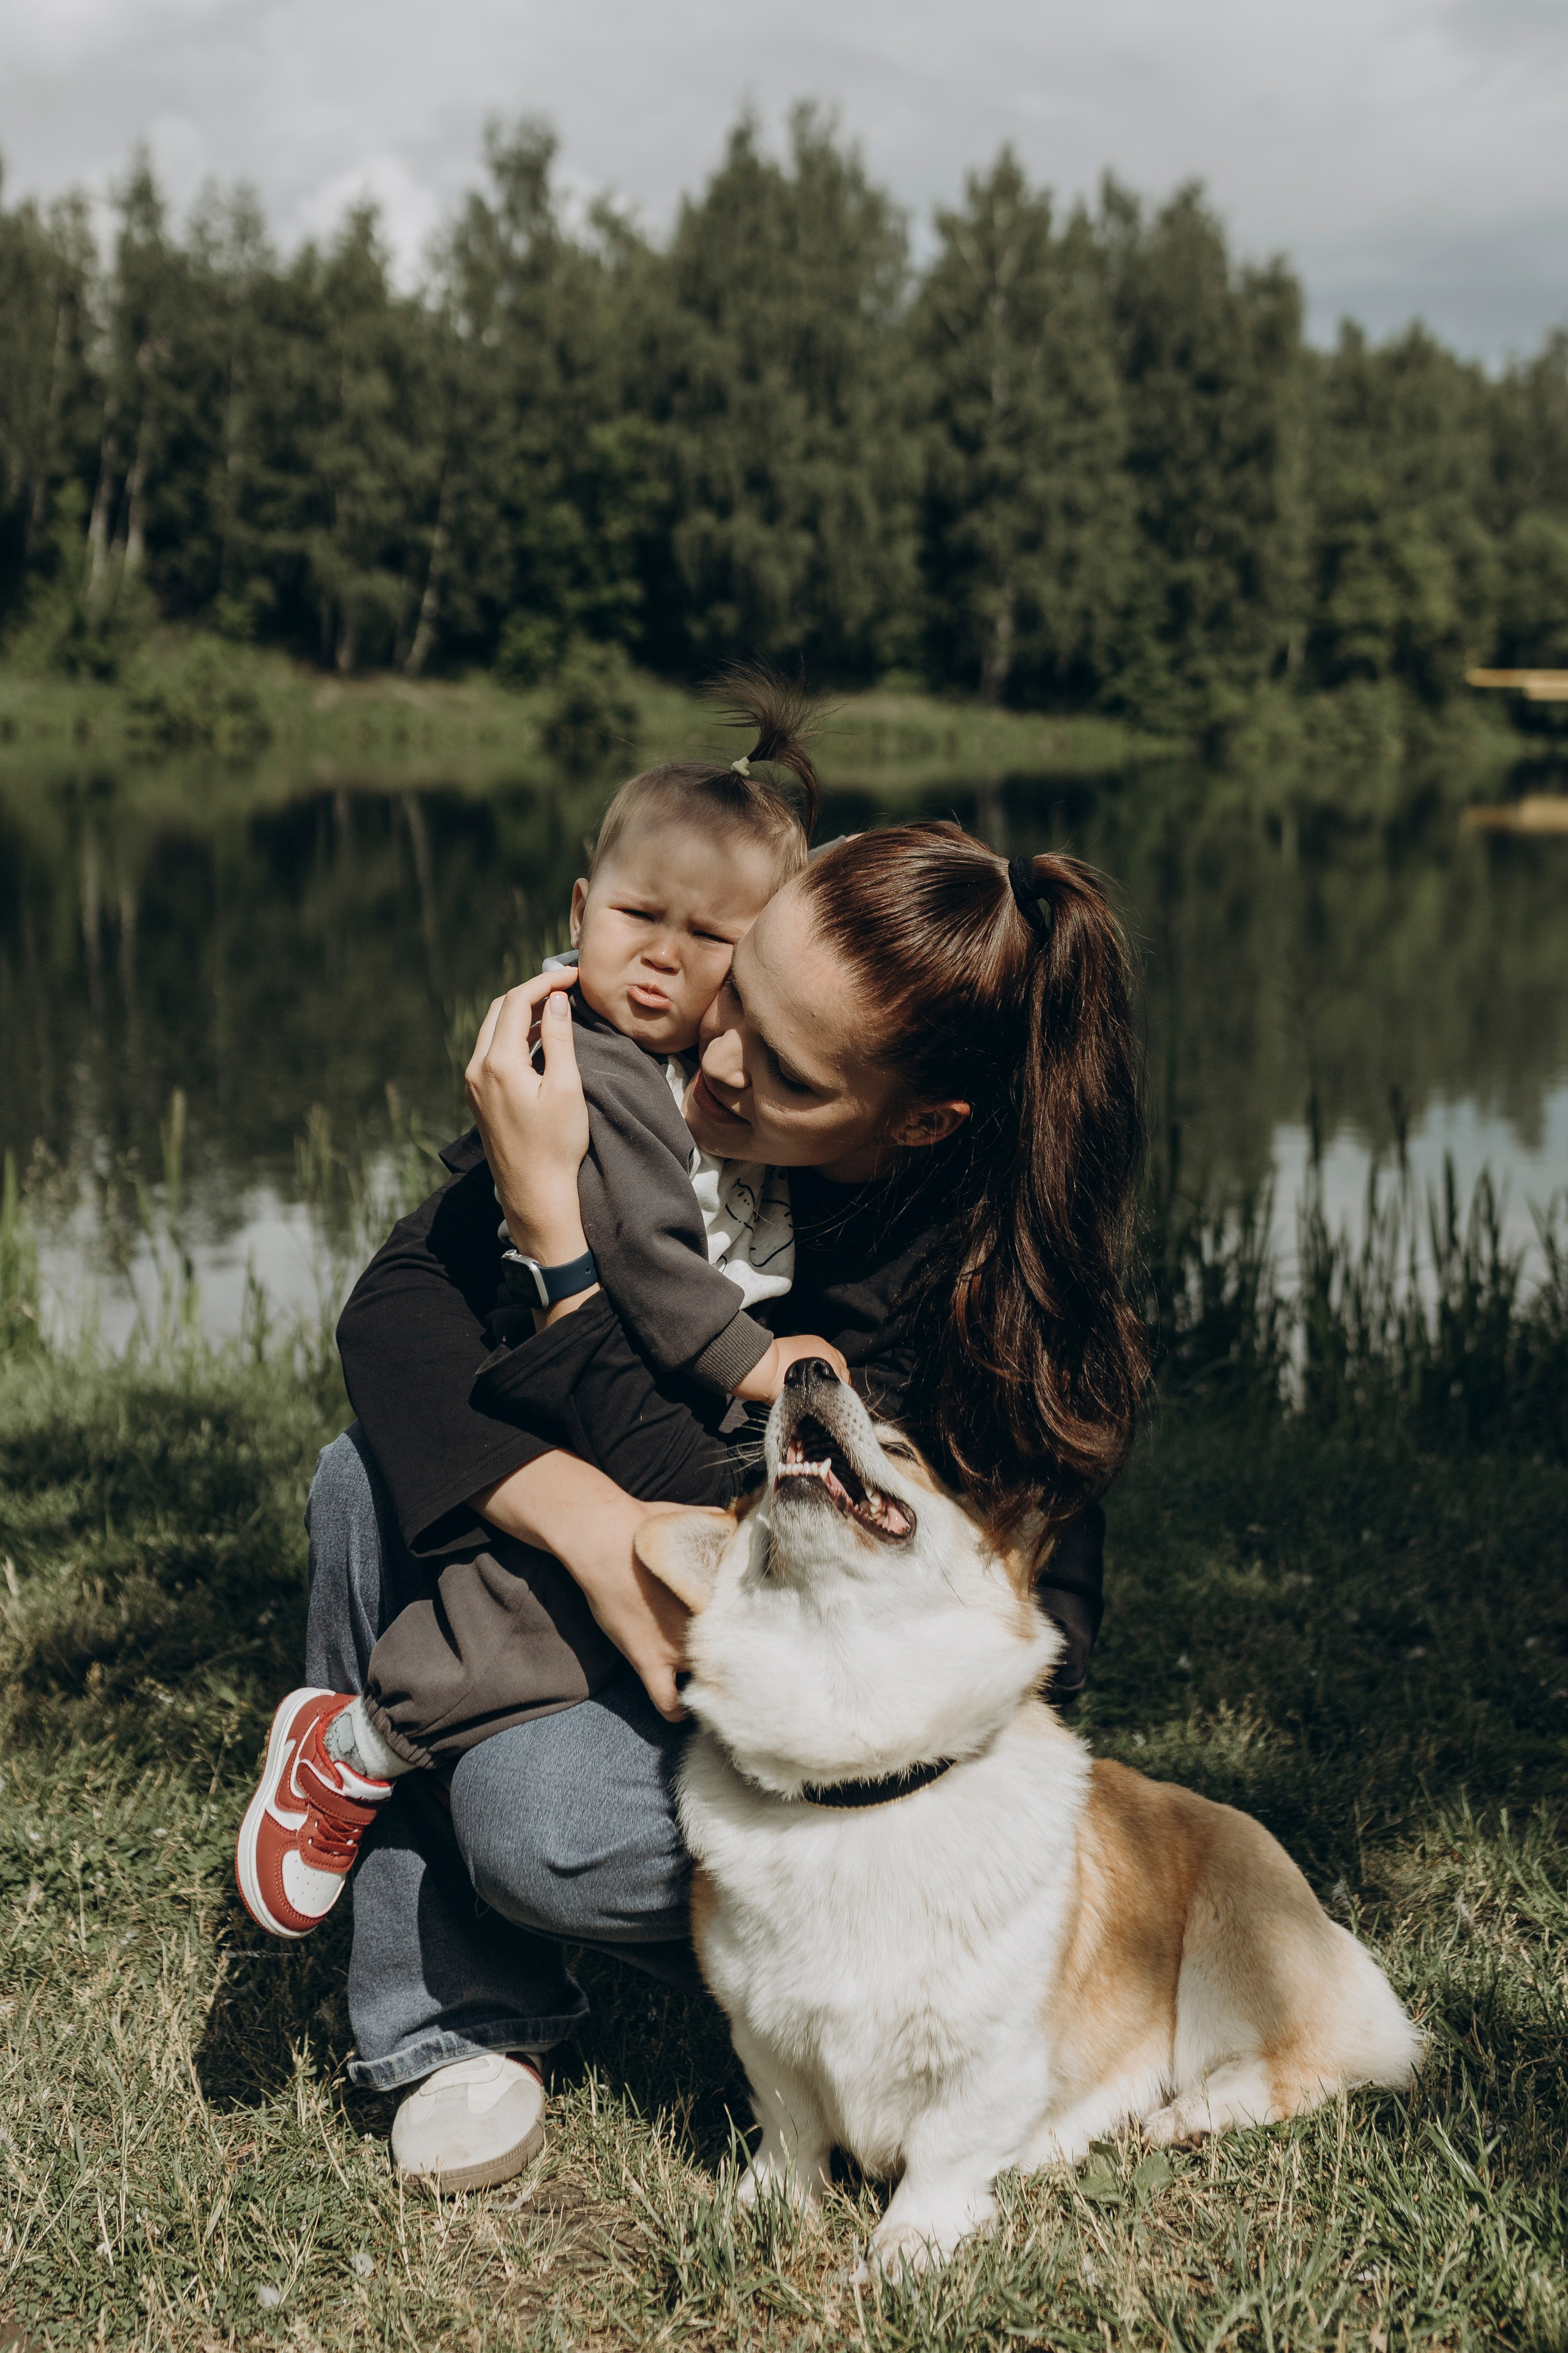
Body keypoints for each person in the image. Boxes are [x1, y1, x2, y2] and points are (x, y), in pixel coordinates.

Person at [282, 701, 1148, 2193]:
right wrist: (574, 1517)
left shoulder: (962, 1297)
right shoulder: (653, 1085)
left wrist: (562, 1256)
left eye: (789, 1074)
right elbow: (396, 1312)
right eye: (735, 997)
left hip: (863, 1765)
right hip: (691, 1632)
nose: (717, 1061)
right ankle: (447, 2020)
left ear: (922, 1123)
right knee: (364, 1477)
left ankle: (479, 1898)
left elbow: (757, 1510)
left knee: (533, 1817)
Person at [236, 693, 853, 1946]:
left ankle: (404, 1832)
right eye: (637, 917)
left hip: (625, 1428)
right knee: (535, 1616)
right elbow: (645, 1258)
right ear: (577, 913)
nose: (663, 957)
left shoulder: (698, 1075)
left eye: (710, 939)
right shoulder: (595, 1064)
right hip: (551, 1403)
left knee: (581, 1625)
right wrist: (749, 1361)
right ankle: (356, 1744)